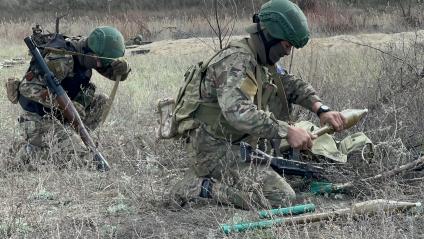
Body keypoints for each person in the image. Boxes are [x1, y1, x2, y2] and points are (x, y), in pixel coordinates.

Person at [170, 0, 347, 210]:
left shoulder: (259, 61)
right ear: (270, 35)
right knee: (281, 198)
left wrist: (321, 109)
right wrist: (286, 130)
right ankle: (200, 187)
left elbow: (289, 84)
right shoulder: (236, 62)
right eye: (286, 45)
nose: (288, 52)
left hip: (239, 145)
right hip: (214, 150)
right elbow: (238, 113)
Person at [9, 26, 131, 166]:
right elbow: (26, 88)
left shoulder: (87, 51)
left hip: (63, 115)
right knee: (80, 157)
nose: (99, 65)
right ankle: (29, 151)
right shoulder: (61, 60)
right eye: (98, 61)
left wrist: (123, 70)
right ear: (91, 53)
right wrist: (64, 105)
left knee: (101, 101)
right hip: (38, 119)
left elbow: (111, 71)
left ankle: (75, 139)